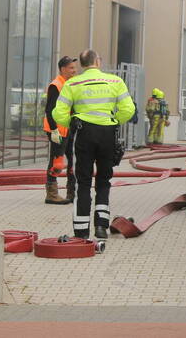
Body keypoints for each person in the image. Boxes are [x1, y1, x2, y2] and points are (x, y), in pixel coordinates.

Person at [53, 49, 135, 239]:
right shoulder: (115, 81)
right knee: (104, 180)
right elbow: (128, 109)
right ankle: (101, 227)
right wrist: (114, 120)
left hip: (83, 133)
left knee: (83, 182)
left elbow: (58, 113)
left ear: (82, 64)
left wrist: (72, 123)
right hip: (107, 133)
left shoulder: (73, 83)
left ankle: (81, 232)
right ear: (97, 62)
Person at [42, 56, 79, 204]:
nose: (74, 70)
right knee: (57, 162)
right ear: (63, 69)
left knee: (73, 161)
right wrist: (53, 130)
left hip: (68, 128)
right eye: (71, 68)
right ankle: (51, 194)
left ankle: (72, 193)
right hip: (57, 129)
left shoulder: (70, 84)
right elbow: (49, 110)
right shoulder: (56, 85)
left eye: (74, 67)